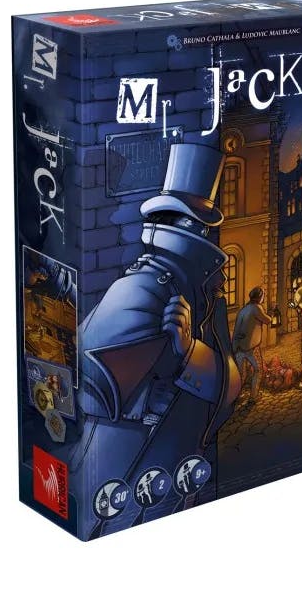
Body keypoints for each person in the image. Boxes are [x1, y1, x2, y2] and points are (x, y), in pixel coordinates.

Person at [68, 143, 241, 539]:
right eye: (189, 222)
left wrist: (189, 354)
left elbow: (230, 382)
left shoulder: (206, 296)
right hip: (124, 469)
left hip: (175, 465)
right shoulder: (141, 286)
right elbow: (93, 385)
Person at [232, 287, 272, 407]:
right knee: (258, 370)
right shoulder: (256, 308)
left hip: (238, 346)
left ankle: (237, 396)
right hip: (250, 347)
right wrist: (270, 314)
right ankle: (253, 396)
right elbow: (267, 320)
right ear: (259, 297)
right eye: (263, 295)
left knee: (240, 373)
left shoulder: (243, 310)